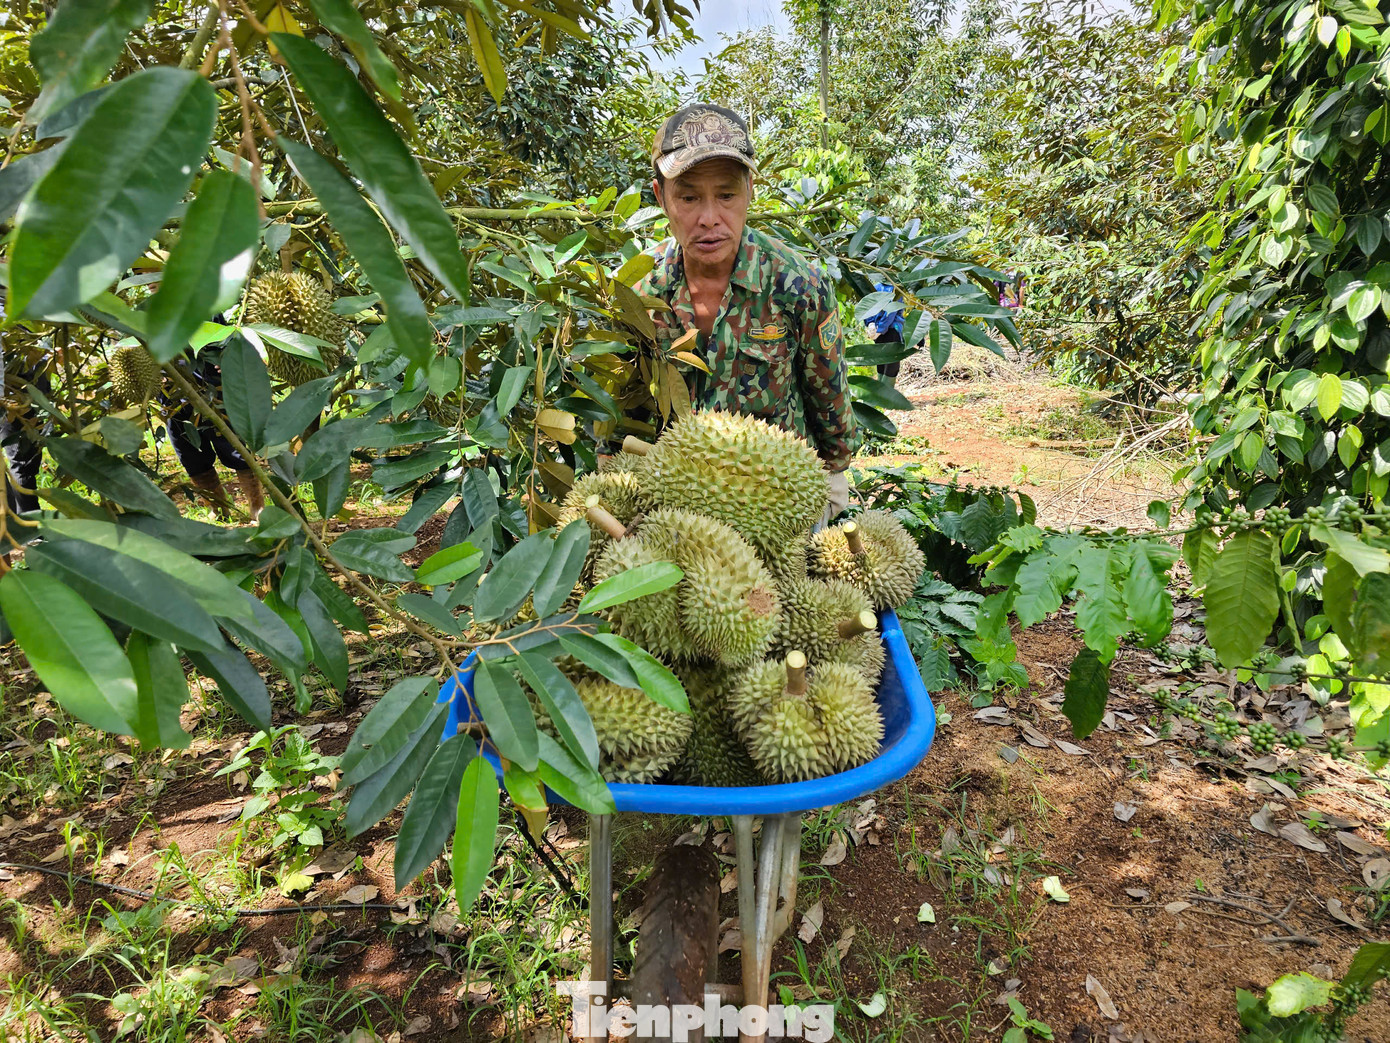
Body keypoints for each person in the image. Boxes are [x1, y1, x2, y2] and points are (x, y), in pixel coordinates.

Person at [637, 102, 856, 518]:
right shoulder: (640, 293)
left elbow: (830, 404)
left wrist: (830, 483)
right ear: (660, 197)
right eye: (688, 197)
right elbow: (620, 411)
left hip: (779, 498)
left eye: (726, 195)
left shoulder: (797, 286)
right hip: (675, 503)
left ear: (750, 191)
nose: (708, 218)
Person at [862, 281, 906, 387]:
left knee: (881, 361)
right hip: (892, 330)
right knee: (891, 365)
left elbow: (867, 307)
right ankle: (886, 395)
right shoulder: (896, 289)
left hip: (879, 330)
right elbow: (891, 313)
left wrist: (871, 324)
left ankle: (881, 394)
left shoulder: (874, 287)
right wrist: (879, 328)